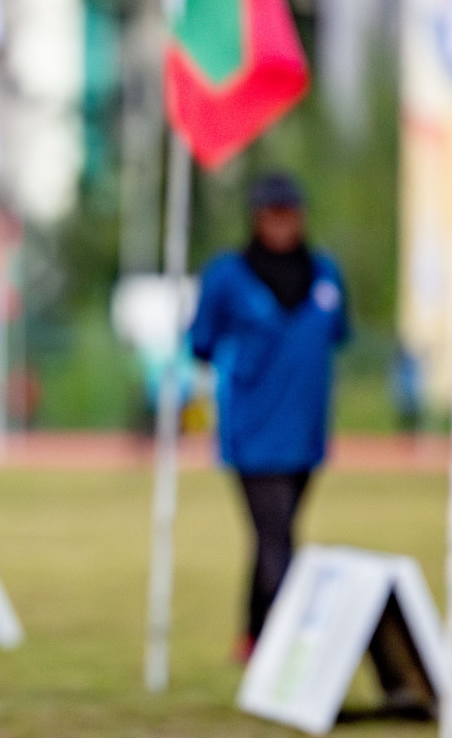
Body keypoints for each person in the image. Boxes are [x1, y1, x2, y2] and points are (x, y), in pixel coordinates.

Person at [188, 172, 348, 660]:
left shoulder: (325, 275)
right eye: (272, 214)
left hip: (306, 431)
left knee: (272, 539)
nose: (281, 223)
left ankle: (252, 637)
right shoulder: (226, 277)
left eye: (289, 213)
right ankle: (286, 646)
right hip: (252, 432)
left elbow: (337, 335)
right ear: (257, 219)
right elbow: (199, 343)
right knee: (278, 538)